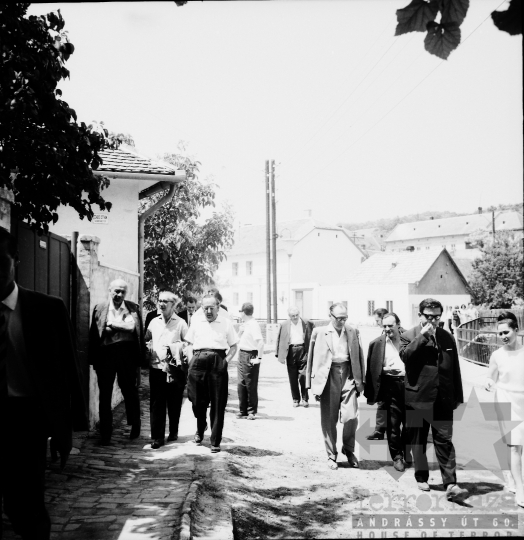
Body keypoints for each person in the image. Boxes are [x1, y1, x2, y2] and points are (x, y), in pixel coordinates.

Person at [0, 227, 87, 540]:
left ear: (16, 261)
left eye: (0, 262)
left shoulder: (47, 310)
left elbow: (66, 371)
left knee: (26, 507)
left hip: (26, 421)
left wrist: (66, 432)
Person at [400, 298, 467, 501]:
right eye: (428, 316)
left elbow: (454, 368)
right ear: (419, 315)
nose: (433, 320)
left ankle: (451, 484)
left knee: (445, 441)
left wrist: (457, 396)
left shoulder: (447, 337)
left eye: (437, 317)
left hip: (443, 399)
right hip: (416, 398)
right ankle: (421, 476)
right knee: (418, 441)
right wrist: (422, 337)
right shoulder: (407, 335)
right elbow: (406, 356)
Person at [306, 303, 365, 470]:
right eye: (339, 318)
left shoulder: (353, 331)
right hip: (328, 375)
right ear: (330, 315)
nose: (342, 321)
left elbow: (360, 356)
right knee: (329, 419)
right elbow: (312, 358)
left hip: (348, 374)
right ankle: (331, 455)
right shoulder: (319, 332)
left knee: (351, 416)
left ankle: (348, 449)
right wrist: (311, 384)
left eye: (345, 318)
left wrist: (361, 380)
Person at [89, 279, 145, 445]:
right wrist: (122, 325)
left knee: (129, 391)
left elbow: (132, 329)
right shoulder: (99, 308)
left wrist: (112, 325)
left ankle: (135, 425)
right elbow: (96, 332)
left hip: (127, 354)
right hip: (106, 355)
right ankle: (105, 433)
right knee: (105, 395)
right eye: (117, 291)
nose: (119, 295)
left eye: (123, 292)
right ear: (110, 290)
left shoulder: (132, 308)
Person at [185, 293, 239, 453]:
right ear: (201, 308)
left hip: (218, 363)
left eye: (211, 308)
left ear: (218, 308)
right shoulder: (196, 321)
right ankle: (201, 426)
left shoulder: (226, 323)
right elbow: (188, 343)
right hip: (197, 361)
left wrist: (225, 362)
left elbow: (234, 346)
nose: (208, 311)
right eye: (205, 308)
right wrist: (190, 361)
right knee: (195, 400)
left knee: (217, 403)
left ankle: (215, 441)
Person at [485, 311, 524, 506]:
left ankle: (511, 475)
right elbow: (490, 376)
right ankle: (520, 488)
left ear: (517, 330)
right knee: (515, 446)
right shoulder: (497, 355)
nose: (503, 337)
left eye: (506, 332)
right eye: (500, 334)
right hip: (506, 401)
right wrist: (489, 383)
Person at [145, 291, 188, 449]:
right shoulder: (153, 322)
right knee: (157, 403)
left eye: (165, 302)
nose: (161, 304)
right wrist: (147, 346)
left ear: (173, 305)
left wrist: (176, 348)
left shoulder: (181, 323)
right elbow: (147, 339)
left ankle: (173, 430)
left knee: (174, 402)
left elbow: (189, 344)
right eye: (160, 301)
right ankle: (157, 437)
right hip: (156, 367)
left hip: (174, 370)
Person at [365, 313, 408, 471]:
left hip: (409, 386)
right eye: (385, 326)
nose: (388, 329)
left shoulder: (408, 340)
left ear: (398, 324)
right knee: (393, 424)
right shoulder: (376, 344)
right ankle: (397, 457)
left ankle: (405, 450)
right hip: (390, 385)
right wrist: (385, 370)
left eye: (391, 325)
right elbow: (371, 369)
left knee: (411, 424)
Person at [275, 307, 315, 407]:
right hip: (290, 351)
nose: (295, 317)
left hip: (303, 350)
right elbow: (279, 339)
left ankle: (305, 399)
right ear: (289, 316)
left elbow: (315, 337)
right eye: (293, 316)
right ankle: (296, 399)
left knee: (304, 376)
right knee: (292, 377)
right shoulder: (284, 325)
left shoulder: (307, 323)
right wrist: (279, 355)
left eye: (297, 315)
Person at [236, 302, 264, 420]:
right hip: (242, 353)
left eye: (240, 312)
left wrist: (259, 358)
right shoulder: (246, 324)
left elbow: (261, 342)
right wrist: (240, 332)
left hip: (250, 354)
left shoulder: (253, 324)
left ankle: (251, 411)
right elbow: (237, 340)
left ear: (243, 312)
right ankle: (243, 410)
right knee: (241, 384)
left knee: (250, 384)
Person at [366, 308, 389, 440]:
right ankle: (379, 431)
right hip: (384, 374)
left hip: (395, 376)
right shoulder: (382, 332)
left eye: (377, 320)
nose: (376, 323)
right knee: (382, 403)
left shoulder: (398, 331)